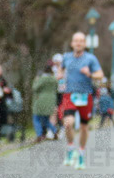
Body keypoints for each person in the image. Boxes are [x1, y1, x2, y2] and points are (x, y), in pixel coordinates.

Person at [58, 31, 103, 169]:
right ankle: (71, 148)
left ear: (85, 44)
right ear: (72, 43)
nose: (78, 43)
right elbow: (60, 70)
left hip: (85, 96)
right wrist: (60, 77)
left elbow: (100, 75)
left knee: (84, 127)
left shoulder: (91, 58)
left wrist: (89, 74)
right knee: (68, 123)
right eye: (76, 41)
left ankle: (81, 154)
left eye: (81, 41)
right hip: (69, 94)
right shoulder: (66, 57)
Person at [30, 59, 59, 142]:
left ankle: (39, 135)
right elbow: (56, 88)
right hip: (51, 100)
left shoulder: (42, 79)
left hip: (41, 100)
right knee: (45, 119)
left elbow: (35, 88)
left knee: (36, 118)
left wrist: (36, 80)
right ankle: (54, 131)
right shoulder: (54, 79)